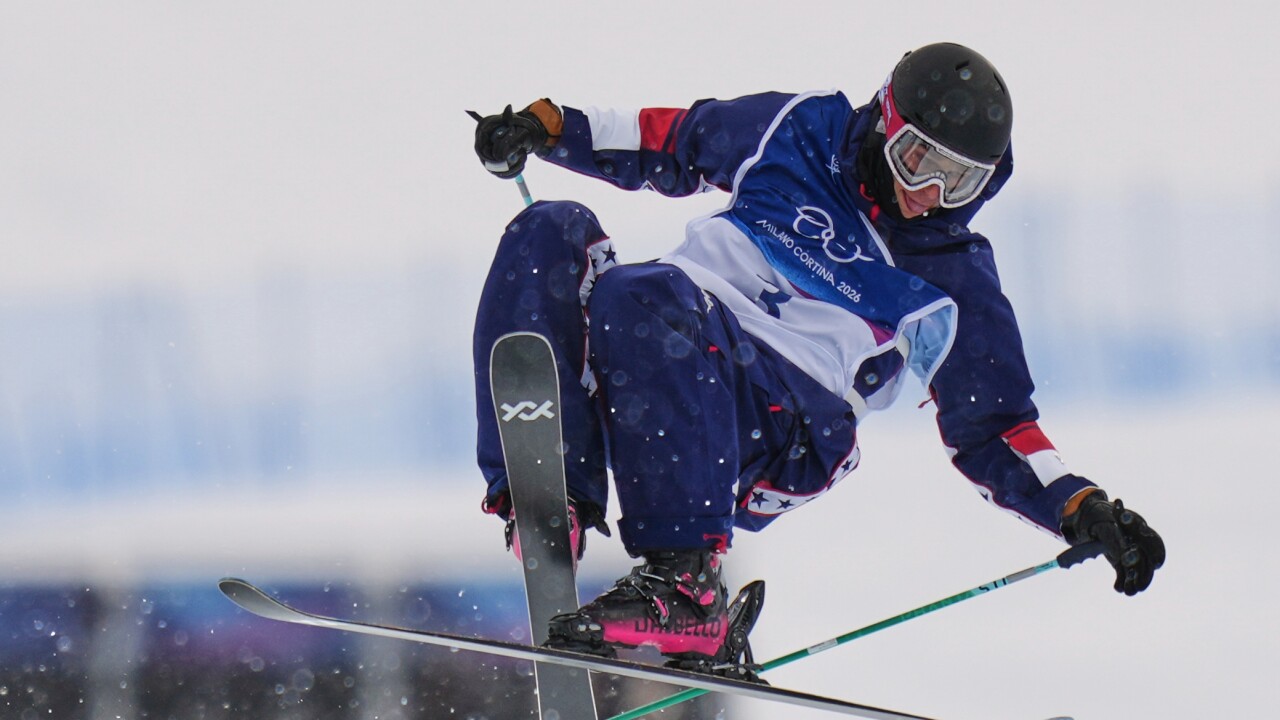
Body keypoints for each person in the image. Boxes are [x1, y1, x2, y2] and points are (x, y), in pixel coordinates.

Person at [468, 42, 1165, 672]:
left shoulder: (952, 276)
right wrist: (551, 127)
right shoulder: (798, 131)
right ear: (886, 122)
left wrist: (1080, 505)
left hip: (784, 420)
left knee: (643, 294)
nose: (929, 196)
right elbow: (671, 139)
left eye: (961, 182)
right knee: (548, 230)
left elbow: (998, 425)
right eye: (920, 161)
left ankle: (687, 587)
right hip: (665, 351)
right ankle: (546, 492)